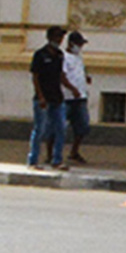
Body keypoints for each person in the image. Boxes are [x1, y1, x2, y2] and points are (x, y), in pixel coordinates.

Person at [26, 26, 67, 170]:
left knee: (60, 128)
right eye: (57, 37)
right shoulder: (40, 55)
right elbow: (35, 77)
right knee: (40, 129)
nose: (59, 40)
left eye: (61, 38)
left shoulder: (60, 55)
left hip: (57, 97)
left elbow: (60, 75)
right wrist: (41, 96)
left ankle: (57, 160)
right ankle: (33, 160)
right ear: (50, 38)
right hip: (43, 98)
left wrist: (68, 89)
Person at [61, 30, 92, 165]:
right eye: (79, 44)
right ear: (71, 43)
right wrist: (72, 89)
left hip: (80, 97)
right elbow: (62, 76)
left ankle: (74, 151)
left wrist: (86, 78)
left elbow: (81, 71)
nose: (80, 47)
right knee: (59, 127)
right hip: (66, 97)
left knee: (82, 126)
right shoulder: (63, 57)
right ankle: (53, 153)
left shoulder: (79, 57)